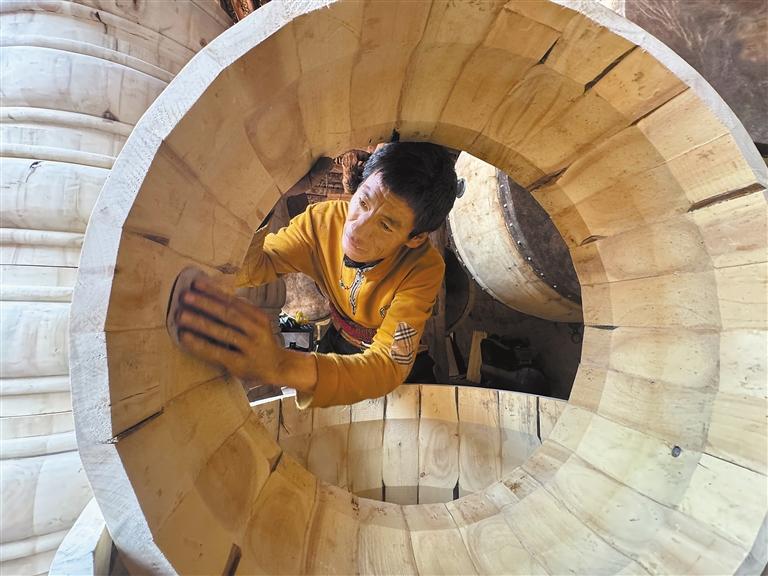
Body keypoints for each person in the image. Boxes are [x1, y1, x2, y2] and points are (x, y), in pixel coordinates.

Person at [174, 142, 458, 408]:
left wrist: (282, 365)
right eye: (363, 202)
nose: (357, 229)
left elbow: (390, 362)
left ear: (415, 238)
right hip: (338, 344)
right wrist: (265, 202)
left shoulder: (424, 267)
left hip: (402, 367)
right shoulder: (321, 222)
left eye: (385, 225)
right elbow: (251, 270)